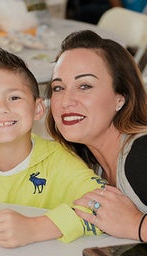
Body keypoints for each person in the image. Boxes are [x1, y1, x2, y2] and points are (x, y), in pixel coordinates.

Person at [0, 46, 106, 248]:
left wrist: (36, 227)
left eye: (14, 97)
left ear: (38, 108)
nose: (1, 108)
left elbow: (106, 207)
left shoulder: (61, 163)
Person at [46, 30, 147, 242]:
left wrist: (138, 225)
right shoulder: (85, 159)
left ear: (121, 98)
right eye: (58, 87)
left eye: (85, 86)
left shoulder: (142, 154)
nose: (66, 101)